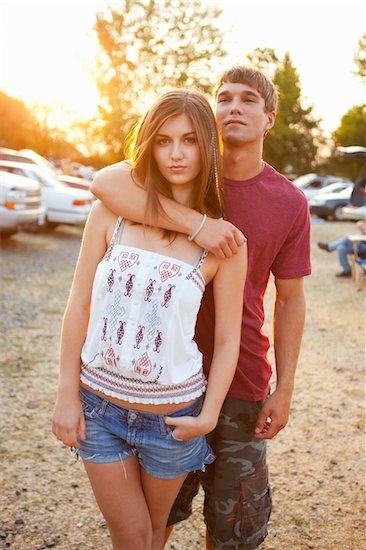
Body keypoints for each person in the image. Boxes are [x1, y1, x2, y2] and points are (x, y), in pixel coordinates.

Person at [91, 66, 311, 549]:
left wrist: (285, 388)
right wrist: (197, 224)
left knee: (231, 528)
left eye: (248, 99)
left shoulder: (289, 202)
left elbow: (292, 299)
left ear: (269, 117)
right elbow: (104, 183)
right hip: (163, 385)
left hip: (241, 381)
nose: (234, 106)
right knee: (156, 521)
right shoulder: (177, 177)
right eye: (224, 97)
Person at [52, 90, 247, 550]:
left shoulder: (224, 244)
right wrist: (65, 392)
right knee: (133, 534)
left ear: (207, 148)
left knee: (155, 532)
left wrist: (209, 415)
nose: (176, 154)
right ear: (149, 146)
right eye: (163, 141)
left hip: (173, 419)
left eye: (188, 141)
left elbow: (226, 341)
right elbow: (78, 302)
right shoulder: (109, 215)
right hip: (99, 409)